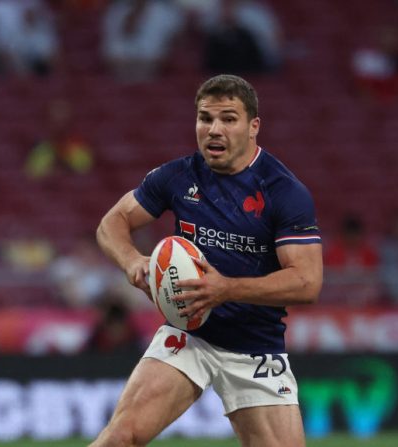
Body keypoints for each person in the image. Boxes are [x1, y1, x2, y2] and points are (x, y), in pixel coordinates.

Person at [92, 74, 322, 447]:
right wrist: (133, 262)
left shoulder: (283, 191)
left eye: (228, 119)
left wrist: (225, 289)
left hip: (255, 346)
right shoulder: (178, 176)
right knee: (119, 438)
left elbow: (307, 282)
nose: (214, 130)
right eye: (205, 118)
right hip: (189, 335)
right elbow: (111, 223)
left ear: (253, 126)